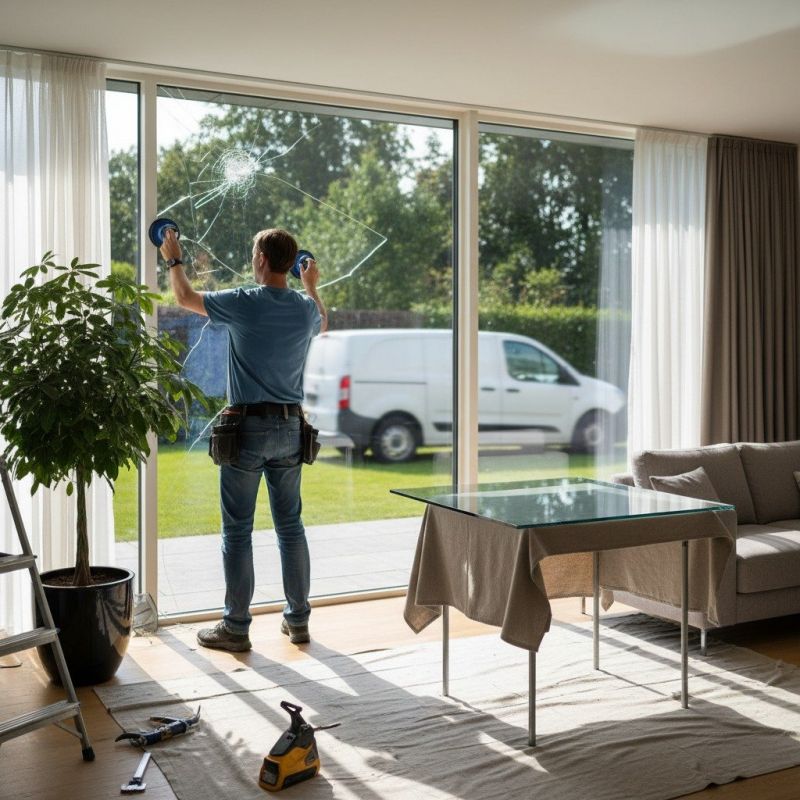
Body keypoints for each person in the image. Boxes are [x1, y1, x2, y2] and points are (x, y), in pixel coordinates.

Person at [159, 227, 327, 652]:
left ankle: (236, 627)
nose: (253, 260)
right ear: (291, 264)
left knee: (237, 531)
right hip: (291, 429)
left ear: (263, 260)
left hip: (247, 429)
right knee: (290, 526)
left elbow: (184, 297)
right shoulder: (304, 308)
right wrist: (310, 285)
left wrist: (173, 258)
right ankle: (298, 621)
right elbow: (321, 321)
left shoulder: (244, 301)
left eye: (254, 254)